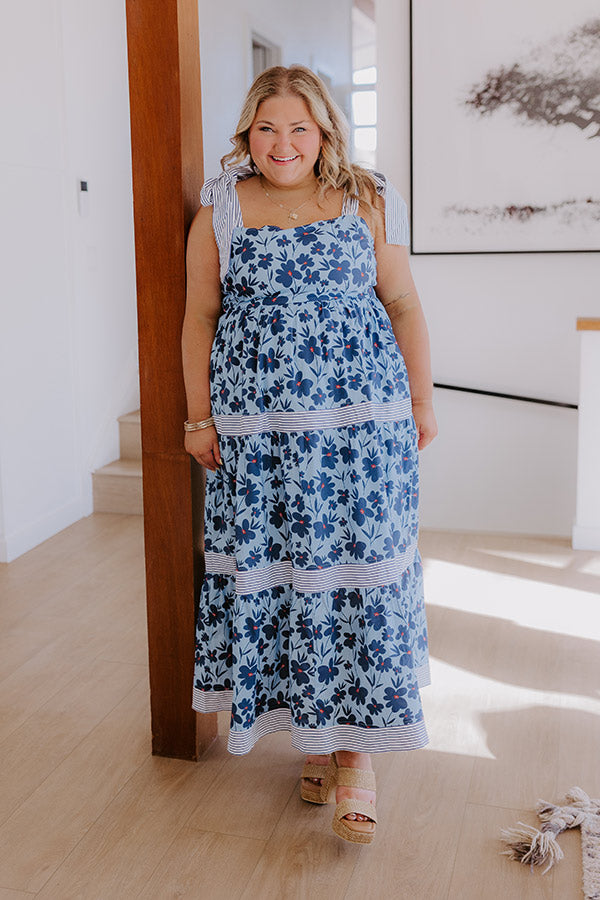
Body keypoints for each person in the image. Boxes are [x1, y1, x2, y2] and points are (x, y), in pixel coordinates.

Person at [182, 64, 437, 844]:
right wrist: (198, 419)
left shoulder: (363, 198)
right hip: (261, 441)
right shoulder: (220, 210)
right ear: (247, 135)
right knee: (290, 577)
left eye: (298, 127)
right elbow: (200, 317)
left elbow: (400, 302)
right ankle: (316, 740)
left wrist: (422, 401)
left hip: (360, 431)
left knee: (356, 578)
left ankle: (357, 759)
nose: (282, 143)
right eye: (266, 128)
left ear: (324, 130)